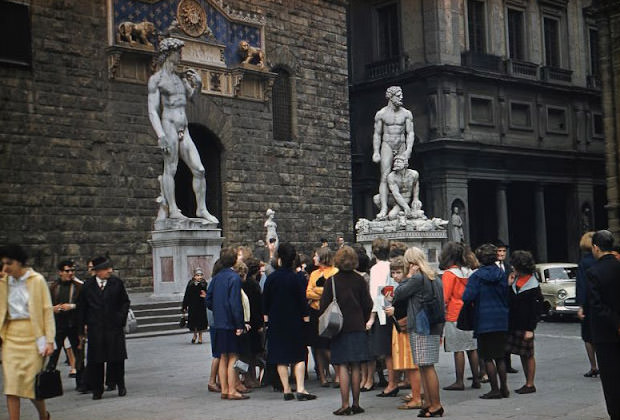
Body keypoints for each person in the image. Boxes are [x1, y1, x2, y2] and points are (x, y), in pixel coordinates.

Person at [147, 37, 218, 223]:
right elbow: (153, 110)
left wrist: (199, 85)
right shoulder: (157, 80)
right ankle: (173, 209)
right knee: (170, 168)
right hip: (169, 125)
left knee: (200, 169)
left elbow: (193, 99)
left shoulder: (180, 79)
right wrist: (160, 134)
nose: (180, 56)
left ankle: (201, 209)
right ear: (169, 54)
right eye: (178, 52)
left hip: (183, 128)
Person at [0, 245, 55, 420]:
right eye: (3, 263)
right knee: (12, 387)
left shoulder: (36, 280)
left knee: (32, 386)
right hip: (11, 336)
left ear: (20, 262)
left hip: (33, 335)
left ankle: (43, 415)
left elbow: (47, 310)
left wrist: (49, 340)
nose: (6, 267)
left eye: (9, 263)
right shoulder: (3, 282)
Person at [319, 246, 372, 415]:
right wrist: (363, 319)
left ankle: (344, 404)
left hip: (339, 328)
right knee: (356, 365)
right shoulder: (360, 280)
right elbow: (368, 304)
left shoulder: (332, 281)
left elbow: (323, 306)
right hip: (357, 325)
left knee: (342, 365)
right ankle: (356, 403)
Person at [393, 247, 445, 418]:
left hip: (420, 325)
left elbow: (398, 293)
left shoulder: (417, 278)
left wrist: (408, 277)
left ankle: (435, 404)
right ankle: (429, 403)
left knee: (426, 366)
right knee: (425, 365)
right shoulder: (435, 277)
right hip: (434, 324)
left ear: (410, 262)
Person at [263, 242, 316, 401]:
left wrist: (267, 321)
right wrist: (306, 321)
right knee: (298, 355)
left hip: (277, 321)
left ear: (279, 259)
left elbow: (265, 303)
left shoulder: (271, 279)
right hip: (295, 321)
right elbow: (302, 301)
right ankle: (300, 388)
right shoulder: (295, 278)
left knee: (281, 356)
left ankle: (286, 389)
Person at [79, 256, 130, 400]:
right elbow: (82, 307)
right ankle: (97, 389)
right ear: (97, 271)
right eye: (106, 268)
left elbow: (125, 302)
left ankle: (120, 384)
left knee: (117, 359)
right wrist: (81, 328)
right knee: (96, 360)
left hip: (114, 327)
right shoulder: (87, 286)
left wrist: (120, 318)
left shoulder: (116, 283)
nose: (110, 271)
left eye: (110, 268)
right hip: (96, 328)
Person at [462, 243, 510, 400]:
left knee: (488, 357)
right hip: (501, 317)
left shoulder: (476, 276)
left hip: (484, 318)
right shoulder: (501, 274)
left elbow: (467, 297)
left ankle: (494, 389)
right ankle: (504, 388)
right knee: (500, 356)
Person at [205, 248, 248, 400]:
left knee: (223, 356)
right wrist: (240, 324)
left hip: (219, 322)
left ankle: (224, 389)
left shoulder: (216, 278)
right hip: (230, 322)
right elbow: (235, 304)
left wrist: (217, 309)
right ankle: (232, 389)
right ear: (235, 260)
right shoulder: (234, 278)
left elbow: (208, 299)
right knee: (233, 357)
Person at [586, 230, 620, 420]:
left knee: (610, 379)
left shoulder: (593, 272)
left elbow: (597, 305)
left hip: (605, 333)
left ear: (596, 247)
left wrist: (616, 323)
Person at [439, 242, 480, 391]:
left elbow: (444, 297)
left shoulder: (449, 274)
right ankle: (476, 378)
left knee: (458, 349)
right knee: (472, 347)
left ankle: (459, 381)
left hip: (454, 313)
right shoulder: (469, 271)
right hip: (470, 311)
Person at [386, 257, 423, 410]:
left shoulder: (407, 286)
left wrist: (394, 309)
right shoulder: (405, 285)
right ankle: (418, 393)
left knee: (411, 363)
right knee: (412, 364)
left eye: (398, 272)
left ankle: (417, 396)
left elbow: (408, 306)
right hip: (404, 326)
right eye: (393, 272)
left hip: (406, 327)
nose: (395, 276)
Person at [372, 85, 415, 220]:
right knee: (384, 176)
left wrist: (409, 149)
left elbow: (411, 133)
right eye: (398, 95)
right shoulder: (381, 114)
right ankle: (384, 208)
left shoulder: (406, 113)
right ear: (390, 96)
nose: (401, 97)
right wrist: (376, 152)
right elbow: (377, 134)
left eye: (401, 94)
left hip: (401, 143)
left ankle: (401, 205)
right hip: (387, 144)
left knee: (403, 174)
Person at [505, 250, 543, 394]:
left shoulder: (533, 284)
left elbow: (536, 310)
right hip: (515, 323)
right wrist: (509, 285)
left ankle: (530, 383)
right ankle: (527, 382)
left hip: (526, 324)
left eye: (514, 265)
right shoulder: (515, 280)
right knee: (522, 353)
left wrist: (530, 328)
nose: (512, 267)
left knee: (528, 354)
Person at [366, 238, 398, 395]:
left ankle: (392, 383)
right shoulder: (393, 265)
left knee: (387, 351)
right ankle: (395, 380)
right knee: (393, 348)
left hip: (382, 311)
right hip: (392, 308)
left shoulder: (376, 269)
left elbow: (375, 294)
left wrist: (371, 317)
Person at [306, 247, 338, 387]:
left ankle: (337, 372)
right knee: (318, 345)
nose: (314, 258)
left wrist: (317, 291)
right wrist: (322, 292)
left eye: (316, 256)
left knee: (329, 345)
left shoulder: (334, 272)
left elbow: (331, 292)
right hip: (315, 311)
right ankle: (323, 375)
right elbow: (308, 293)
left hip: (329, 311)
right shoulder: (314, 274)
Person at [47, 259, 82, 385]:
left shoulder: (78, 286)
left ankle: (81, 382)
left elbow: (84, 305)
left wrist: (72, 306)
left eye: (72, 270)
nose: (70, 273)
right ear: (60, 272)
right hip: (58, 325)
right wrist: (53, 308)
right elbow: (45, 305)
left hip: (74, 325)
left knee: (78, 353)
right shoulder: (53, 287)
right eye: (67, 271)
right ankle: (49, 383)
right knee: (54, 355)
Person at [576, 231, 599, 377]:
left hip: (589, 304)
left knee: (588, 336)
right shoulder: (603, 261)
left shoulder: (584, 263)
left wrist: (580, 305)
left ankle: (594, 366)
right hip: (603, 302)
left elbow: (582, 285)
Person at [372, 156, 421, 221]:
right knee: (377, 198)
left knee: (392, 216)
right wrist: (405, 207)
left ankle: (402, 216)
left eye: (398, 162)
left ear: (405, 163)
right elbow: (396, 193)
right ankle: (388, 214)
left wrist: (416, 198)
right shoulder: (391, 176)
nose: (395, 163)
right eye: (395, 162)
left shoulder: (414, 174)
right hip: (395, 198)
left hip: (406, 197)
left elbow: (415, 185)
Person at [494, 239, 517, 374]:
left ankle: (507, 363)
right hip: (497, 304)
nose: (502, 253)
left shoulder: (508, 267)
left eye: (503, 251)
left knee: (507, 335)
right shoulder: (490, 267)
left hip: (507, 305)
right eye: (499, 251)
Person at [182, 267, 208, 344]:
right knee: (194, 322)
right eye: (197, 275)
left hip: (201, 305)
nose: (199, 277)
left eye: (200, 275)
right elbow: (187, 295)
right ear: (194, 276)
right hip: (192, 305)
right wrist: (184, 306)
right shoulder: (190, 284)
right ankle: (194, 335)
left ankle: (200, 336)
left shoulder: (204, 284)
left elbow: (207, 293)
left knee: (201, 322)